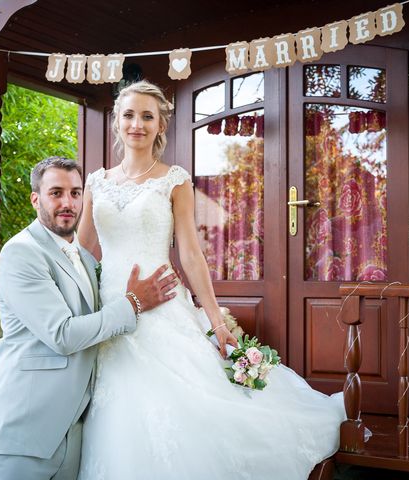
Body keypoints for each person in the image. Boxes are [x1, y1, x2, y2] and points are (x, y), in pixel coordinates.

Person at [77, 80, 346, 479]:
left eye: (147, 116)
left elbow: (189, 253)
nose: (137, 124)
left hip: (161, 305)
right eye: (129, 115)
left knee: (185, 399)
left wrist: (216, 320)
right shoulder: (96, 182)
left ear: (160, 125)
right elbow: (81, 251)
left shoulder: (174, 180)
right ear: (117, 121)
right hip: (110, 306)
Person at [0, 157, 178, 480]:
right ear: (35, 199)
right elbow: (63, 334)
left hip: (74, 441)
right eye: (56, 193)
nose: (67, 203)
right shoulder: (21, 252)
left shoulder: (84, 257)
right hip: (22, 438)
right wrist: (133, 302)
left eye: (75, 193)